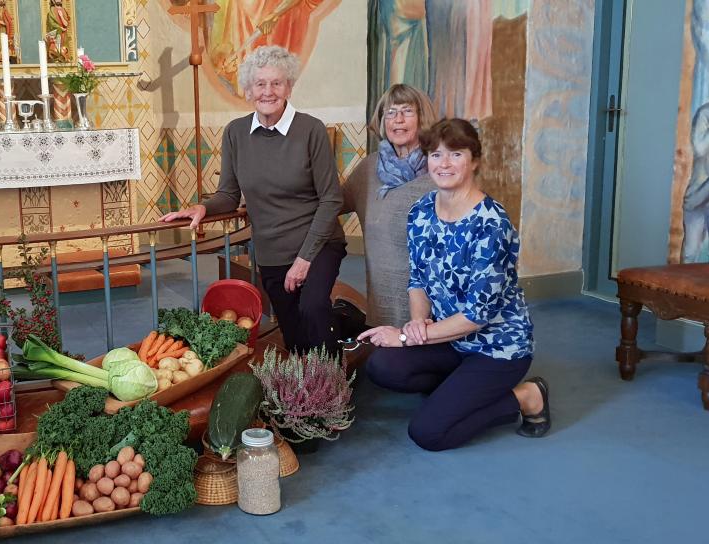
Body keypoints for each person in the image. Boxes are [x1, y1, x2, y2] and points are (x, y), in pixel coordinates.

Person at [357, 118, 550, 451]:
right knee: (382, 366)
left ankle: (527, 397)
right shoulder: (420, 212)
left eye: (455, 154)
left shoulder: (491, 224)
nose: (443, 164)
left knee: (428, 433)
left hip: (496, 348)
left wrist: (404, 337)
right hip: (450, 339)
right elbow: (418, 277)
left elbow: (477, 316)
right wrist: (417, 323)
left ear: (474, 161)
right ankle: (457, 392)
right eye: (435, 154)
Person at [160, 45, 346, 355]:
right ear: (247, 90)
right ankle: (317, 373)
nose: (268, 91)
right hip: (272, 252)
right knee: (296, 340)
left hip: (318, 245)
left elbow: (331, 200)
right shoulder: (235, 133)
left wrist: (304, 260)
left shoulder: (311, 130)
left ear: (289, 87)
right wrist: (202, 207)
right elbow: (229, 194)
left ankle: (334, 392)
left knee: (313, 310)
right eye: (260, 84)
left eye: (277, 83)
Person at [341, 84, 438, 328]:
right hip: (382, 303)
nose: (398, 119)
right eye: (391, 113)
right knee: (381, 361)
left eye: (407, 111)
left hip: (433, 303)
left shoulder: (439, 168)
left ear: (422, 118)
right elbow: (332, 203)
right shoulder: (369, 169)